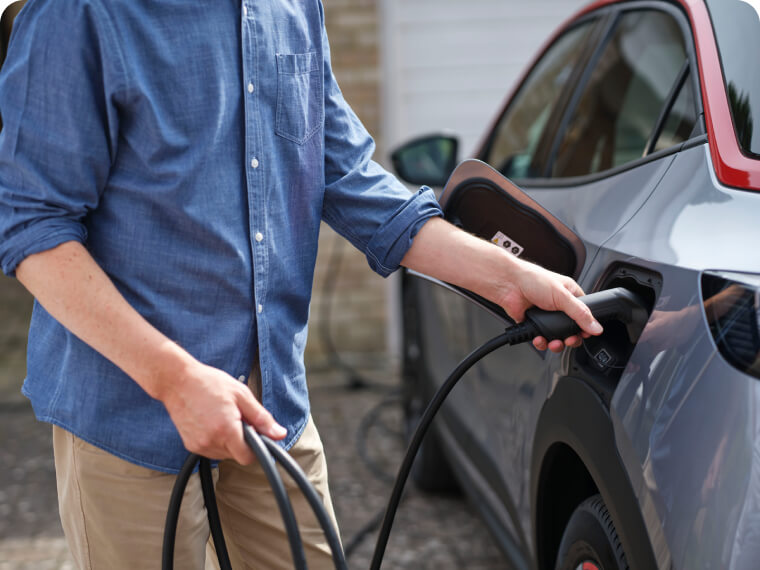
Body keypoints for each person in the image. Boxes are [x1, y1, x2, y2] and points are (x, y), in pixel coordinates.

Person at [0, 1, 602, 568]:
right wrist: (174, 378)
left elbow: (348, 178)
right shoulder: (76, 14)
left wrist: (510, 278)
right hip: (127, 410)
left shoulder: (289, 7)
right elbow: (32, 229)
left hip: (272, 404)